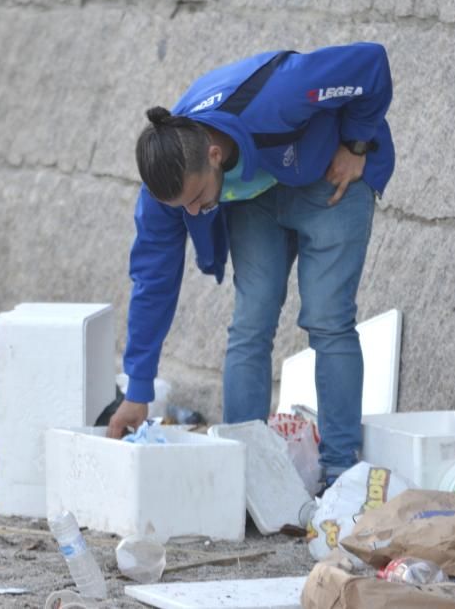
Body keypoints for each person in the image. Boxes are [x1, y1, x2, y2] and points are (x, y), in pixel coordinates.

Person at [107, 42, 394, 487]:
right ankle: (243, 467)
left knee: (327, 317)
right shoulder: (170, 186)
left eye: (200, 199)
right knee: (250, 322)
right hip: (256, 200)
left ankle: (340, 471)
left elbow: (370, 62)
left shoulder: (281, 94)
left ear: (214, 155)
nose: (198, 213)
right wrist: (138, 390)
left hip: (328, 179)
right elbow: (152, 280)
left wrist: (357, 143)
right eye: (186, 208)